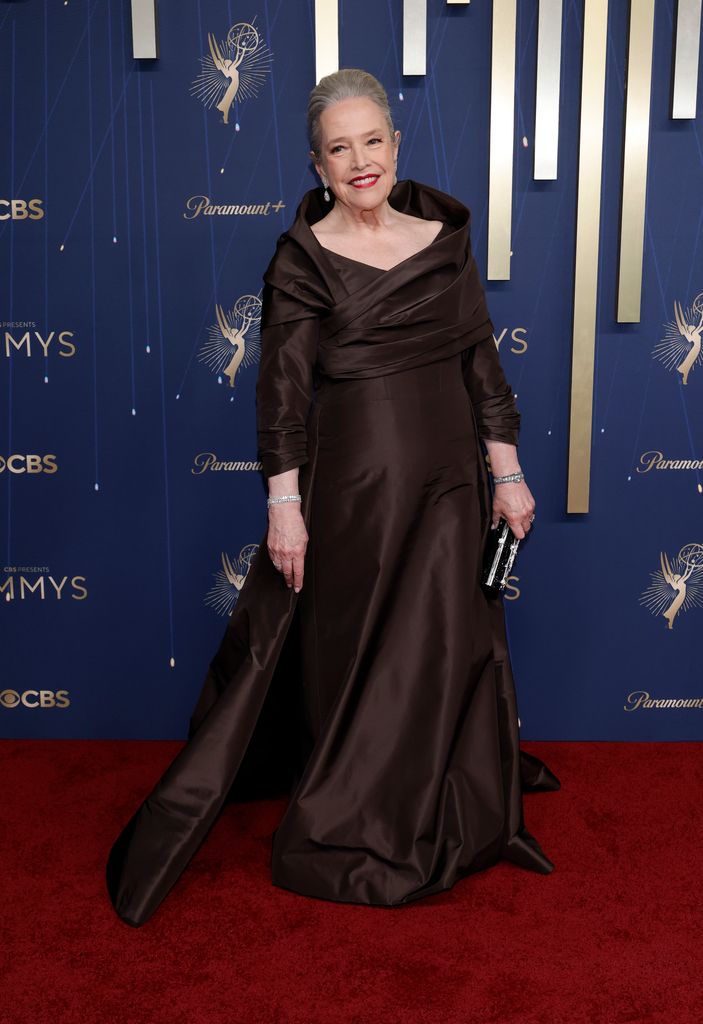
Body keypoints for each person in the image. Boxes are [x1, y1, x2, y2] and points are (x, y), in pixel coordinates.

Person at [106, 68, 560, 928]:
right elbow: (278, 394)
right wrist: (285, 505)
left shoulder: (443, 236)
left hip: (451, 485)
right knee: (369, 659)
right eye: (338, 148)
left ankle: (458, 809)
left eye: (371, 141)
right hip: (357, 492)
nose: (359, 160)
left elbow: (481, 366)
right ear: (317, 165)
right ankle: (362, 818)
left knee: (446, 643)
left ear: (396, 144)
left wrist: (505, 470)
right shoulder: (303, 258)